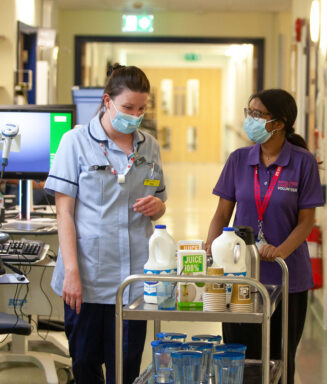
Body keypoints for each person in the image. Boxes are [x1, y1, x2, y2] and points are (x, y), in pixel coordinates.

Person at [45, 64, 167, 384]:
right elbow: (64, 214)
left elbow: (159, 203)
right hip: (86, 277)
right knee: (84, 364)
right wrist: (72, 272)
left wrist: (158, 207)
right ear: (107, 100)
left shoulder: (149, 146)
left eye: (141, 108)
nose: (135, 115)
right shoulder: (75, 142)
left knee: (125, 367)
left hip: (134, 280)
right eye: (128, 107)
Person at [205, 89, 324, 383]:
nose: (251, 120)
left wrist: (281, 249)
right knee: (240, 358)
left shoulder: (303, 162)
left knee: (280, 359)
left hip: (287, 278)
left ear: (279, 123)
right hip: (240, 277)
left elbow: (306, 222)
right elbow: (222, 214)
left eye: (258, 114)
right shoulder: (238, 160)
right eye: (249, 113)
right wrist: (211, 249)